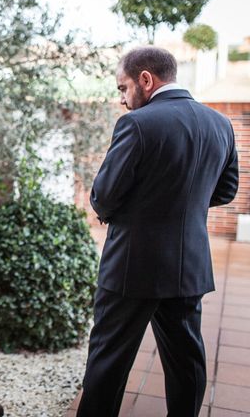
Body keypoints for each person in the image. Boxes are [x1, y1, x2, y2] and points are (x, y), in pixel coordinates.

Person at [77, 46, 238, 417]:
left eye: (123, 88)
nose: (122, 100)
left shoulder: (137, 124)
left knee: (109, 362)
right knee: (187, 361)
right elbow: (226, 190)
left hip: (131, 269)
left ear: (146, 80)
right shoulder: (220, 124)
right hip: (188, 267)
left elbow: (103, 197)